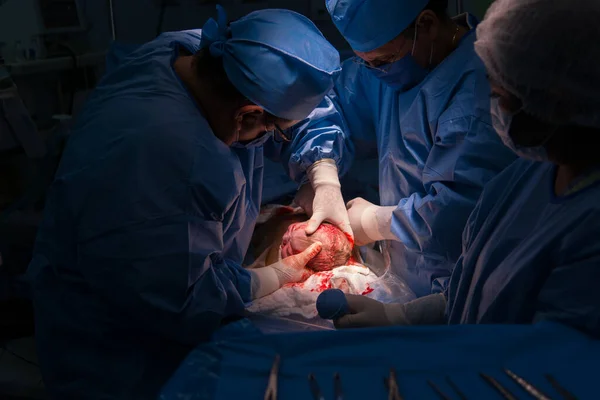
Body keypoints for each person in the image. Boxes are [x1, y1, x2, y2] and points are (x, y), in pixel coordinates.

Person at [27, 7, 343, 399]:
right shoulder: (171, 156)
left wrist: (322, 171)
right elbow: (183, 299)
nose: (273, 139)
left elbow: (296, 103)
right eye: (272, 132)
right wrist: (269, 278)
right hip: (120, 353)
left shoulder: (202, 54)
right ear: (247, 115)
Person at [333, 0, 600, 337]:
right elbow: (476, 290)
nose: (494, 109)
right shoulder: (523, 181)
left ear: (562, 101)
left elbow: (557, 353)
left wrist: (376, 223)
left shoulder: (589, 223)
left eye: (503, 96)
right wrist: (402, 317)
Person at [284, 0, 516, 299]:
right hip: (400, 276)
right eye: (363, 60)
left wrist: (377, 222)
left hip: (461, 290)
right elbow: (327, 101)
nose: (373, 70)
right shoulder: (384, 65)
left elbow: (465, 212)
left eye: (382, 60)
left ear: (428, 24)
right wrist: (322, 170)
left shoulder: (479, 94)